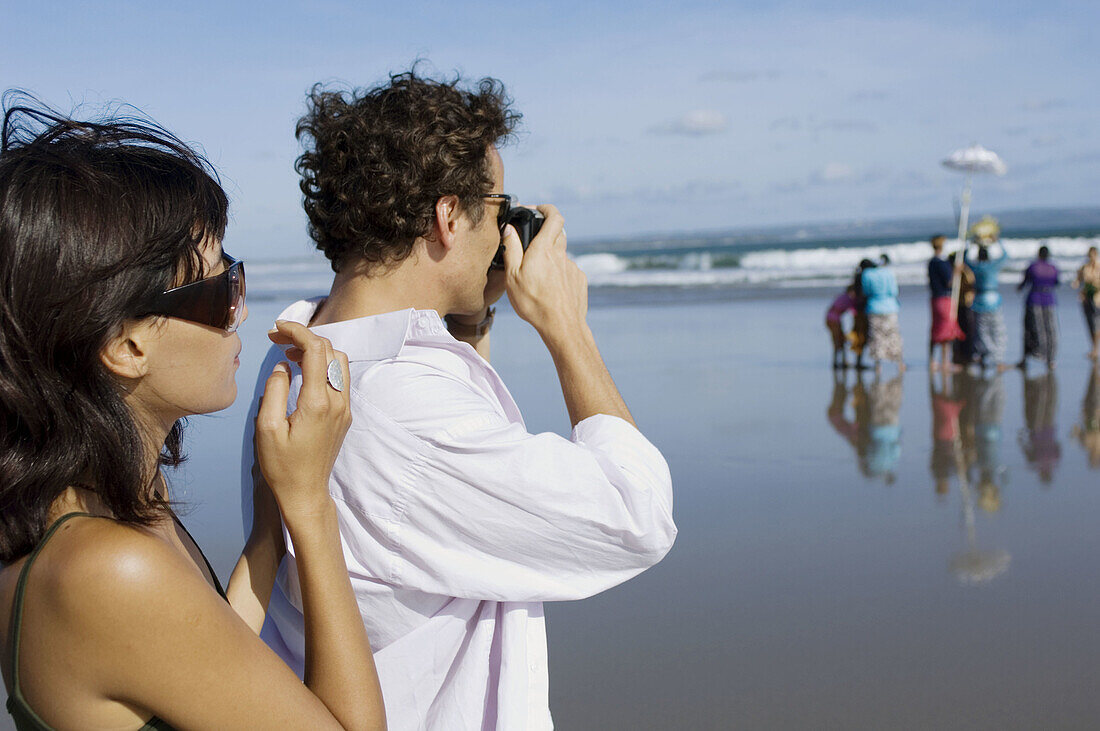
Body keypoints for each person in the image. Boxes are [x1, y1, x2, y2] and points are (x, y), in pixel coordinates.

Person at [243, 71, 676, 730]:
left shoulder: (298, 349)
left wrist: (472, 320)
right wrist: (568, 329)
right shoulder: (407, 409)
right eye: (498, 209)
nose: (503, 229)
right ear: (449, 217)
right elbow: (636, 516)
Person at [0, 103, 385, 729]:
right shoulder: (108, 568)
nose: (239, 310)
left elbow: (201, 652)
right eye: (216, 291)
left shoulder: (98, 509)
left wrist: (269, 524)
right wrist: (312, 506)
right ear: (126, 346)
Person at [964, 218, 1010, 371]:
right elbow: (1004, 256)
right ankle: (998, 358)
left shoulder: (976, 268)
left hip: (980, 300)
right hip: (993, 299)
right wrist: (997, 241)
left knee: (982, 331)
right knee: (998, 330)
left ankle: (985, 355)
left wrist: (971, 243)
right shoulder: (993, 266)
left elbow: (965, 259)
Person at [861, 254, 905, 375]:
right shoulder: (889, 273)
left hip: (874, 307)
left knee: (876, 336)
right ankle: (900, 363)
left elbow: (866, 291)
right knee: (893, 334)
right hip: (890, 307)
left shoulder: (867, 274)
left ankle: (878, 366)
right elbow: (894, 291)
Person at [1016, 245, 1059, 371]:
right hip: (1049, 299)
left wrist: (1019, 288)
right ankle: (1051, 359)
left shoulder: (1033, 267)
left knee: (1032, 328)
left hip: (1034, 299)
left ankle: (1032, 356)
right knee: (1051, 329)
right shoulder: (1053, 268)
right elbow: (1056, 282)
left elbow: (1025, 282)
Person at [927, 234, 965, 372]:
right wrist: (956, 271)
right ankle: (945, 362)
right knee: (947, 331)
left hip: (935, 299)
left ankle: (932, 361)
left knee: (936, 329)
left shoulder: (931, 262)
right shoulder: (940, 263)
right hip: (944, 299)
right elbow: (949, 283)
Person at [1071, 246, 1100, 359]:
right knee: (1090, 324)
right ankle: (1093, 347)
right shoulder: (1084, 268)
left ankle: (1095, 349)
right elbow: (1078, 281)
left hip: (1098, 299)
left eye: (1093, 254)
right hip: (1086, 298)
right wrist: (1076, 285)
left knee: (1097, 324)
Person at [825, 285, 857, 369]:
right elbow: (854, 311)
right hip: (834, 319)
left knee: (839, 340)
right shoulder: (848, 299)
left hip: (831, 318)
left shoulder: (842, 297)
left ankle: (840, 361)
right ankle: (837, 362)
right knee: (838, 340)